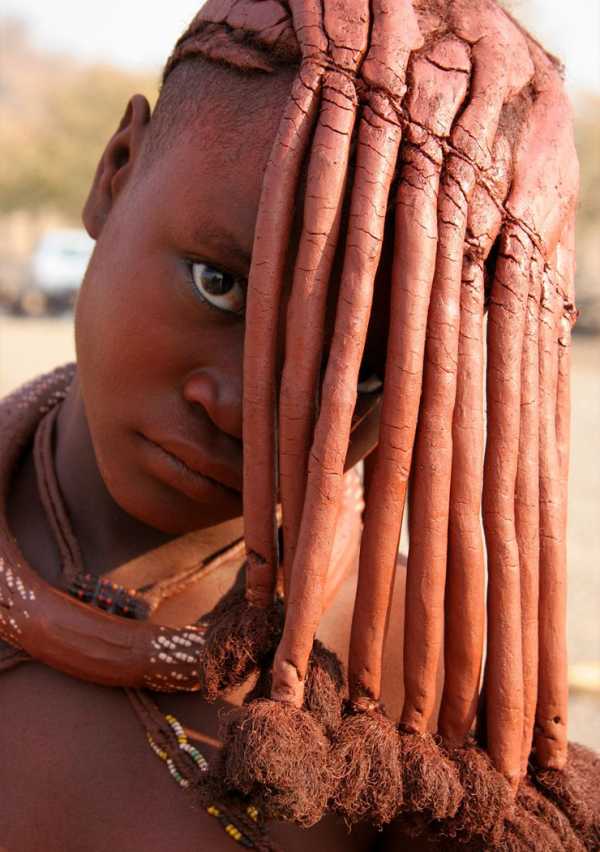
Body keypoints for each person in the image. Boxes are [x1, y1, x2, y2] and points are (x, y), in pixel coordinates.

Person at [0, 1, 597, 850]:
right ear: (115, 172)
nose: (245, 407)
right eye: (220, 285)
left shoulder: (415, 717)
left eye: (362, 371)